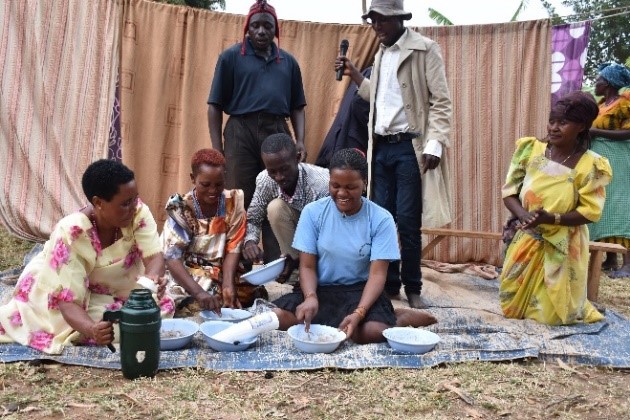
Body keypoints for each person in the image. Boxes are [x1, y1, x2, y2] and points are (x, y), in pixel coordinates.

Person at [335, 0, 453, 309]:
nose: (377, 26)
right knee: (381, 219)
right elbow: (380, 98)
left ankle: (413, 286)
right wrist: (356, 76)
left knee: (407, 219)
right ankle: (388, 284)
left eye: (382, 20)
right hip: (381, 147)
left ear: (399, 19)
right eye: (373, 20)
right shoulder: (382, 52)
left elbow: (441, 101)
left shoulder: (425, 49)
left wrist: (435, 144)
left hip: (409, 147)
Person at [0, 160, 174, 354]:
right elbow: (66, 302)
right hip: (64, 292)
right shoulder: (72, 233)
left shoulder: (137, 213)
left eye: (135, 199)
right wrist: (92, 330)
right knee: (118, 326)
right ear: (98, 203)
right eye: (125, 203)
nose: (134, 207)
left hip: (115, 289)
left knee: (162, 307)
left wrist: (153, 280)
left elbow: (154, 258)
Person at [272, 148, 437, 344]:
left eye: (350, 187)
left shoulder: (381, 219)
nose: (342, 193)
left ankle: (397, 318)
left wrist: (359, 313)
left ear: (364, 184)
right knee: (277, 318)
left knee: (373, 332)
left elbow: (377, 275)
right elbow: (307, 266)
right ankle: (379, 316)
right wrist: (310, 297)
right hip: (320, 290)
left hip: (359, 293)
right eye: (335, 185)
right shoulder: (312, 212)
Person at [500, 91, 612, 325]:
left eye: (563, 123)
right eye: (552, 121)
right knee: (512, 308)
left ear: (581, 126)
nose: (554, 127)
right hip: (528, 237)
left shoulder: (591, 165)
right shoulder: (531, 150)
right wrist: (524, 215)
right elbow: (509, 192)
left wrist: (552, 218)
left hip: (563, 244)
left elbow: (589, 213)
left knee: (550, 316)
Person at [207, 0, 307, 211]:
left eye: (268, 26)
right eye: (256, 26)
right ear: (247, 28)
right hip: (239, 132)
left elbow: (298, 106)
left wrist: (300, 140)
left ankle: (274, 245)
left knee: (278, 197)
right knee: (239, 197)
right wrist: (217, 149)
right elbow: (214, 105)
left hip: (277, 131)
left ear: (276, 29)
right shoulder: (230, 58)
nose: (261, 31)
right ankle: (241, 245)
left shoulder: (288, 62)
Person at [161, 149, 266, 313]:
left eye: (219, 184)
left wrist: (228, 283)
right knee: (203, 299)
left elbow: (234, 246)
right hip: (191, 269)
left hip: (223, 269)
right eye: (205, 184)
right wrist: (199, 292)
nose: (213, 190)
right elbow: (172, 258)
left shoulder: (233, 202)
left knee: (249, 292)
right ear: (192, 179)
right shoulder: (181, 208)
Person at [243, 133, 329, 282]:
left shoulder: (321, 183)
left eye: (284, 169)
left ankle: (317, 273)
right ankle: (297, 273)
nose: (279, 177)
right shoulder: (265, 180)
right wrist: (250, 241)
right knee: (275, 208)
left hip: (323, 237)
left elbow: (333, 228)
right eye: (272, 171)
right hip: (299, 242)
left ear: (297, 158)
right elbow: (253, 218)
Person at [588, 62, 630, 278]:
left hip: (620, 158)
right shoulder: (603, 104)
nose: (595, 84)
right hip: (601, 157)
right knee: (604, 204)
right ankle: (609, 257)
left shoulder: (625, 104)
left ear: (608, 84)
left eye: (598, 80)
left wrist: (595, 132)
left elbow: (629, 133)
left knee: (621, 206)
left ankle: (628, 263)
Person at [315, 66, 372, 168]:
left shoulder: (369, 73)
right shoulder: (374, 74)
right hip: (349, 145)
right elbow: (360, 106)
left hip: (339, 144)